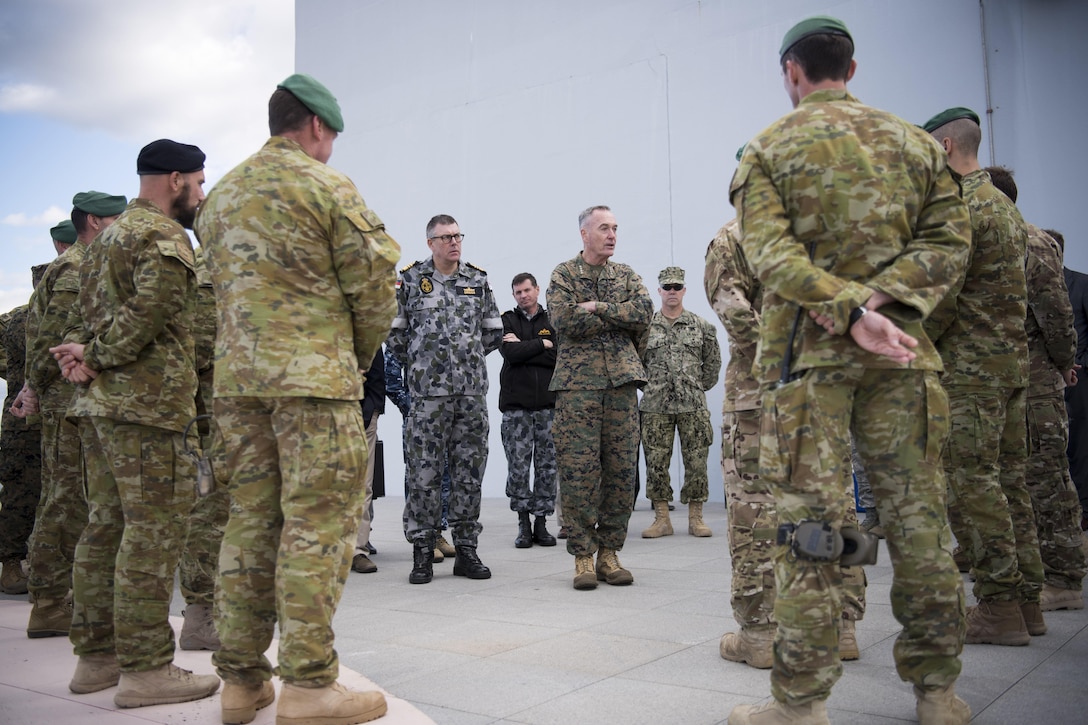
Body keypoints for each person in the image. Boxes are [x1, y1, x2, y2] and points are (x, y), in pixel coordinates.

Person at [728, 17, 973, 724]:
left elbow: (770, 257)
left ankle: (801, 705)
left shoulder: (768, 150)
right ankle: (938, 693)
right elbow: (947, 244)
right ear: (852, 69)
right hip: (903, 356)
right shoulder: (918, 146)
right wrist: (875, 303)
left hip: (811, 364)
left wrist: (842, 305)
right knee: (920, 520)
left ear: (792, 73)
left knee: (813, 527)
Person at [195, 74, 399, 725]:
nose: (332, 144)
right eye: (332, 133)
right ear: (314, 125)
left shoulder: (221, 197)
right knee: (316, 526)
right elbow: (375, 289)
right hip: (313, 386)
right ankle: (309, 684)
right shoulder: (325, 185)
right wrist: (354, 357)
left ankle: (242, 681)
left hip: (238, 390)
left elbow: (208, 299)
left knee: (250, 523)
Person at [50, 139, 219, 707]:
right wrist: (95, 355)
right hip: (147, 410)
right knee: (153, 534)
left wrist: (88, 353)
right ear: (176, 179)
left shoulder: (106, 238)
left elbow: (99, 317)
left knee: (106, 528)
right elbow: (152, 315)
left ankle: (97, 659)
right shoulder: (163, 235)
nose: (200, 191)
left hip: (103, 406)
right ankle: (147, 668)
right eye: (198, 181)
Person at [706, 215, 867, 671]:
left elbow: (736, 315)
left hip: (761, 396)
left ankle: (761, 634)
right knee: (835, 505)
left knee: (755, 509)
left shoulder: (735, 237)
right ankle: (843, 627)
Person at [923, 108, 1046, 644]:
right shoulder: (1005, 207)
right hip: (1011, 367)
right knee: (1011, 483)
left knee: (975, 486)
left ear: (946, 146)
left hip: (971, 373)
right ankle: (1028, 604)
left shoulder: (962, 208)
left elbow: (942, 299)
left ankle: (998, 606)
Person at [22, 192, 126, 637]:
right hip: (69, 396)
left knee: (70, 497)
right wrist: (38, 385)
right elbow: (56, 339)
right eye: (117, 219)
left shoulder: (82, 264)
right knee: (66, 499)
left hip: (70, 394)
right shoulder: (77, 266)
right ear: (96, 222)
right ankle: (48, 602)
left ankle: (55, 599)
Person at [984, 169, 1086, 611]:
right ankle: (1033, 573)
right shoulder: (986, 241)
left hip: (1037, 384)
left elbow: (1058, 318)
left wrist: (1064, 364)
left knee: (1048, 481)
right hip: (1000, 385)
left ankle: (1064, 580)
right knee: (1016, 485)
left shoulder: (1032, 243)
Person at [389, 214, 502, 585]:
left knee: (469, 473)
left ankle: (466, 548)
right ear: (430, 243)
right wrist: (426, 365)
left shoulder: (477, 280)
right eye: (446, 237)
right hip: (427, 398)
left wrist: (463, 363)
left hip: (470, 395)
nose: (454, 242)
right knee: (424, 474)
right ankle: (422, 551)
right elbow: (396, 338)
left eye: (458, 236)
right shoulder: (410, 281)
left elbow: (492, 333)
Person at [548, 205, 653, 590]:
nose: (612, 235)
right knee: (578, 473)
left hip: (622, 386)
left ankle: (610, 553)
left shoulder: (625, 274)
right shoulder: (563, 274)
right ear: (584, 234)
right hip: (578, 389)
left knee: (622, 473)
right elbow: (564, 320)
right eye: (604, 228)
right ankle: (582, 557)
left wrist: (599, 307)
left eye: (615, 228)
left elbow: (644, 311)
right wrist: (617, 317)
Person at [639, 266, 721, 539]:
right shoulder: (645, 328)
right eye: (667, 287)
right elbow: (636, 365)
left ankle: (696, 518)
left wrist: (695, 388)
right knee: (656, 464)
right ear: (659, 291)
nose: (672, 292)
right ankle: (662, 518)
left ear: (684, 290)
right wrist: (650, 387)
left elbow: (712, 365)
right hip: (655, 407)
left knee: (696, 462)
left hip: (693, 406)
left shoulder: (702, 326)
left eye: (677, 287)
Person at [176, 243, 228, 651]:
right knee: (209, 512)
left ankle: (212, 609)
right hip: (209, 418)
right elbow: (200, 350)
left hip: (226, 414)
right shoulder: (205, 272)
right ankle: (199, 616)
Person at [499, 272, 559, 548]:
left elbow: (556, 355)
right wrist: (540, 345)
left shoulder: (552, 320)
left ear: (537, 290)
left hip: (548, 408)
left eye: (526, 290)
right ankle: (523, 524)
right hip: (517, 410)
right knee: (519, 468)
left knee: (547, 467)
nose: (523, 296)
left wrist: (526, 347)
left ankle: (541, 523)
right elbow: (510, 354)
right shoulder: (507, 320)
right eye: (517, 292)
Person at [0, 266, 47, 597]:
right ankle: (11, 564)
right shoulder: (23, 320)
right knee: (22, 494)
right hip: (23, 426)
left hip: (52, 419)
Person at [352, 348, 386, 574]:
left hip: (362, 413)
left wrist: (371, 411)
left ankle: (357, 551)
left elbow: (376, 372)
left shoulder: (364, 326)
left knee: (362, 485)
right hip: (320, 414)